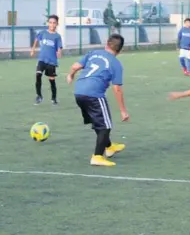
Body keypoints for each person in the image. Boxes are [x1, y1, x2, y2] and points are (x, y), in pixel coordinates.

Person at [67, 34, 130, 167]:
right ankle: (97, 156)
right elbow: (117, 89)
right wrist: (123, 111)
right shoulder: (116, 64)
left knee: (98, 122)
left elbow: (74, 66)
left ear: (106, 44)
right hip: (93, 94)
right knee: (105, 126)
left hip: (78, 92)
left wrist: (70, 75)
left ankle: (109, 147)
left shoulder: (93, 53)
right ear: (120, 50)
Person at [30, 15, 63, 105]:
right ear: (48, 23)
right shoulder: (43, 33)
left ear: (57, 24)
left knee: (51, 80)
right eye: (50, 22)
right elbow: (36, 39)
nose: (52, 24)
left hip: (51, 61)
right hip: (42, 59)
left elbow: (59, 47)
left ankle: (54, 98)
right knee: (38, 75)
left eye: (54, 23)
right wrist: (33, 49)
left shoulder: (57, 36)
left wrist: (59, 52)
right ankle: (39, 96)